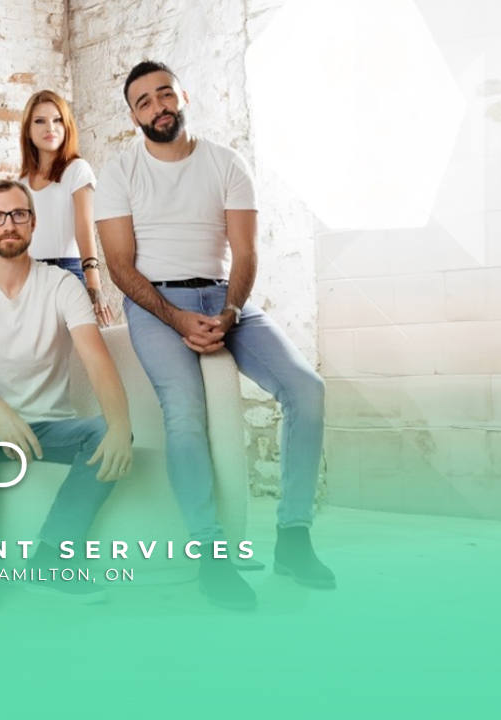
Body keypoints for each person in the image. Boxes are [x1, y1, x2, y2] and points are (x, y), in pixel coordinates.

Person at [94, 61, 334, 612]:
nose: (158, 108)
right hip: (156, 304)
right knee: (184, 411)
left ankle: (294, 539)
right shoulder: (120, 172)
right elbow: (120, 267)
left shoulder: (227, 163)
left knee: (307, 390)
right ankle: (211, 555)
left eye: (164, 95)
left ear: (183, 96)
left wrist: (229, 311)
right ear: (133, 116)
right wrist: (177, 319)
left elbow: (246, 254)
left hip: (226, 298)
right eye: (144, 102)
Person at [0, 179, 134, 612]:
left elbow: (98, 361)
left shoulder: (62, 285)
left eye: (18, 214)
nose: (7, 224)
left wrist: (121, 426)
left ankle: (49, 561)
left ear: (33, 221)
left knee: (106, 431)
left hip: (49, 429)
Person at [17, 89, 112, 324]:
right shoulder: (20, 183)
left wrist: (94, 285)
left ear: (67, 125)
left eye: (57, 120)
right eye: (40, 121)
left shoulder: (77, 170)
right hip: (28, 277)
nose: (51, 127)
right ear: (28, 131)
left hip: (67, 272)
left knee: (75, 353)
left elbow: (84, 229)